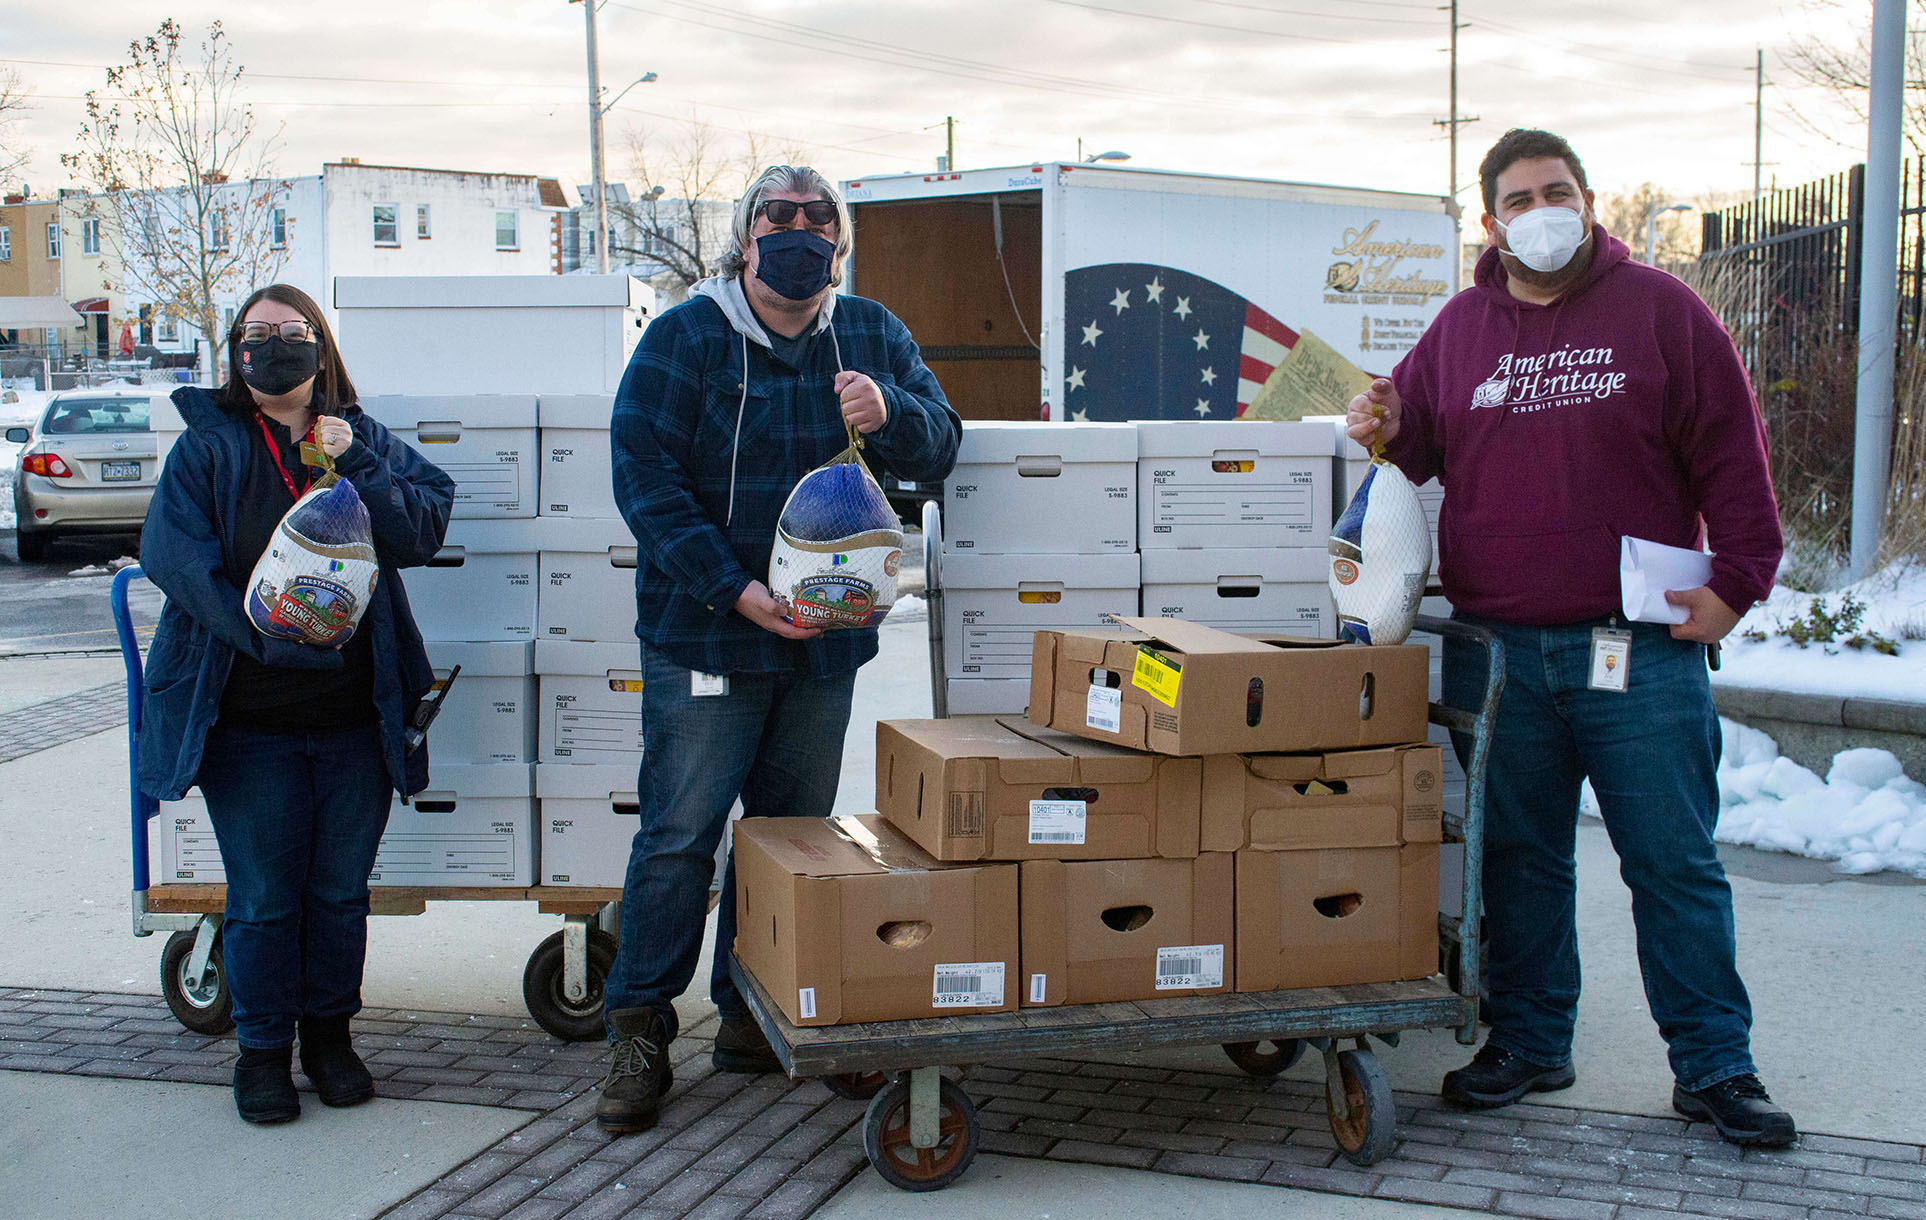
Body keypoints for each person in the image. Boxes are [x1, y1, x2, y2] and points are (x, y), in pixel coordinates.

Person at [1347, 129, 1796, 1147]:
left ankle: (1716, 1062)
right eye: (1519, 196)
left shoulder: (1664, 314)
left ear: (1588, 201)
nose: (1541, 208)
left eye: (1558, 190)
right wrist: (1382, 419)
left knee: (1672, 859)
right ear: (1492, 219)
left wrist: (1738, 583)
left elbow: (1735, 454)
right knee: (1518, 858)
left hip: (1636, 649)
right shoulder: (1462, 328)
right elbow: (1415, 432)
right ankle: (1530, 1037)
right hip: (1500, 647)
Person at [598, 164, 960, 1132]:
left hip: (825, 646)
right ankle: (636, 1026)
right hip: (708, 633)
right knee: (679, 841)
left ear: (838, 242)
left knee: (787, 841)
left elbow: (940, 446)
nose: (798, 230)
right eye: (778, 215)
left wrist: (896, 413)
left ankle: (749, 1012)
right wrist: (738, 589)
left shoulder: (871, 332)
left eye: (817, 218)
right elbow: (642, 477)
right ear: (745, 236)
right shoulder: (687, 336)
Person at [138, 283, 453, 1125]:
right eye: (258, 334)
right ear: (237, 353)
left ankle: (331, 1038)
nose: (275, 347)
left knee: (340, 893)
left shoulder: (358, 434)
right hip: (249, 722)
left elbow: (423, 531)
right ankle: (263, 1051)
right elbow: (176, 561)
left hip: (356, 720)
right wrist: (264, 638)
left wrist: (356, 461)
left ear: (321, 344)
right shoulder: (210, 449)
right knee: (268, 896)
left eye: (293, 331)